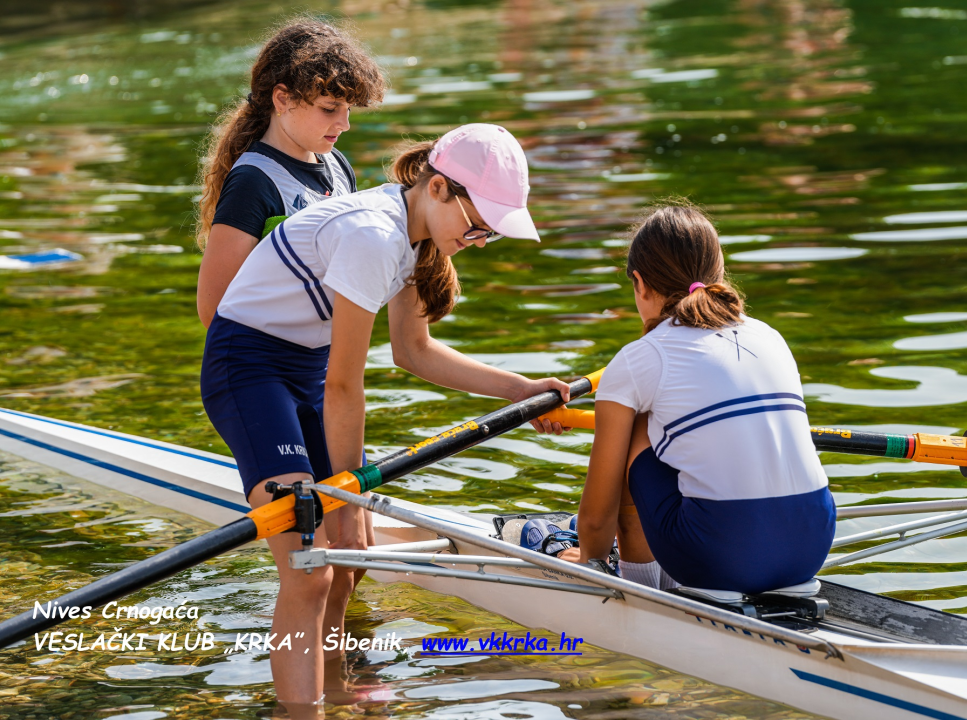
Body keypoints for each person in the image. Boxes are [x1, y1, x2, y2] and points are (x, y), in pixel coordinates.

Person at [200, 123, 568, 715]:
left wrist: (521, 392)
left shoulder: (416, 237)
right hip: (249, 369)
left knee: (351, 560)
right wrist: (345, 500)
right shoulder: (374, 236)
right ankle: (303, 711)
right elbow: (347, 385)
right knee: (310, 563)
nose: (478, 240)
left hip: (306, 371)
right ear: (441, 189)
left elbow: (413, 352)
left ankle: (332, 680)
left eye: (490, 235)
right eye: (479, 226)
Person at [559, 203, 835, 594]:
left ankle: (640, 587)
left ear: (639, 283)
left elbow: (597, 516)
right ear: (718, 274)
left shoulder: (640, 358)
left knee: (636, 426)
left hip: (716, 558)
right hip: (813, 546)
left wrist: (590, 554)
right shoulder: (770, 336)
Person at [195, 19, 384, 328]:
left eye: (347, 109)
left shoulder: (338, 166)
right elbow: (213, 308)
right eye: (329, 108)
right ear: (282, 99)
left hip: (317, 361)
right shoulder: (253, 182)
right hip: (261, 365)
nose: (344, 124)